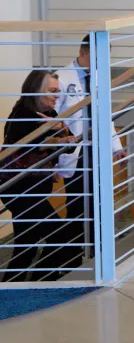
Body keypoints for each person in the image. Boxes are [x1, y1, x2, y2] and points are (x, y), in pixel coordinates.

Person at [54, 35, 126, 261]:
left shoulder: (98, 77)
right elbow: (52, 120)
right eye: (95, 57)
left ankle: (97, 249)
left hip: (97, 148)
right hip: (75, 149)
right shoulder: (61, 78)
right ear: (82, 52)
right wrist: (53, 157)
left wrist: (116, 147)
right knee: (77, 201)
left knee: (99, 199)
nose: (99, 63)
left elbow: (105, 115)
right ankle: (73, 254)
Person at [1, 70, 77, 281]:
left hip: (34, 188)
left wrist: (61, 129)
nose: (57, 96)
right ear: (36, 91)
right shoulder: (21, 114)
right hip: (19, 190)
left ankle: (14, 290)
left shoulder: (50, 114)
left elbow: (71, 146)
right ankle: (40, 284)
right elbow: (29, 146)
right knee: (60, 238)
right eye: (52, 91)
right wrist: (56, 139)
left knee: (26, 247)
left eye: (58, 91)